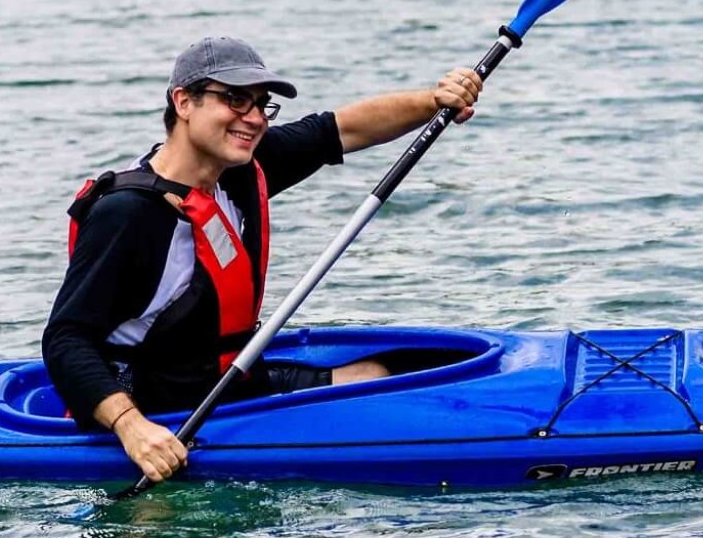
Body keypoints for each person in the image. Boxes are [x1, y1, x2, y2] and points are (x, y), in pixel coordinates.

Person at [46, 36, 483, 483]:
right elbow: (64, 340)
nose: (253, 119)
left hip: (232, 385)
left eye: (261, 105)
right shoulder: (127, 213)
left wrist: (434, 101)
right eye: (235, 100)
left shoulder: (239, 170)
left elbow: (341, 130)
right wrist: (133, 429)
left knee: (373, 374)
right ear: (183, 102)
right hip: (163, 413)